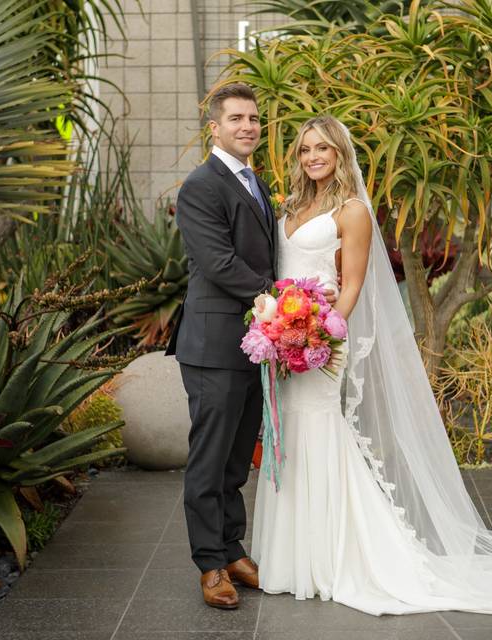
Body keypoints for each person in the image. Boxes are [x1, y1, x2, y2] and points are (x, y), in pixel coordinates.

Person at [251, 115, 492, 617]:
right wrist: (277, 329)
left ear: (340, 155)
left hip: (320, 340)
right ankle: (292, 557)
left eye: (323, 149)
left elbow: (350, 286)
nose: (313, 157)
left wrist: (321, 334)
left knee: (321, 434)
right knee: (292, 439)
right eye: (306, 149)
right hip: (283, 338)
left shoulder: (351, 211)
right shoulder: (290, 205)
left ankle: (331, 557)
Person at [166, 83, 336, 610]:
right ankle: (209, 565)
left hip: (254, 345)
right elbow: (217, 264)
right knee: (210, 460)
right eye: (236, 118)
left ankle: (233, 549)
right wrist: (280, 299)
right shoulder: (201, 186)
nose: (247, 126)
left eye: (254, 119)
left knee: (239, 458)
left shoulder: (256, 183)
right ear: (214, 128)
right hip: (214, 344)